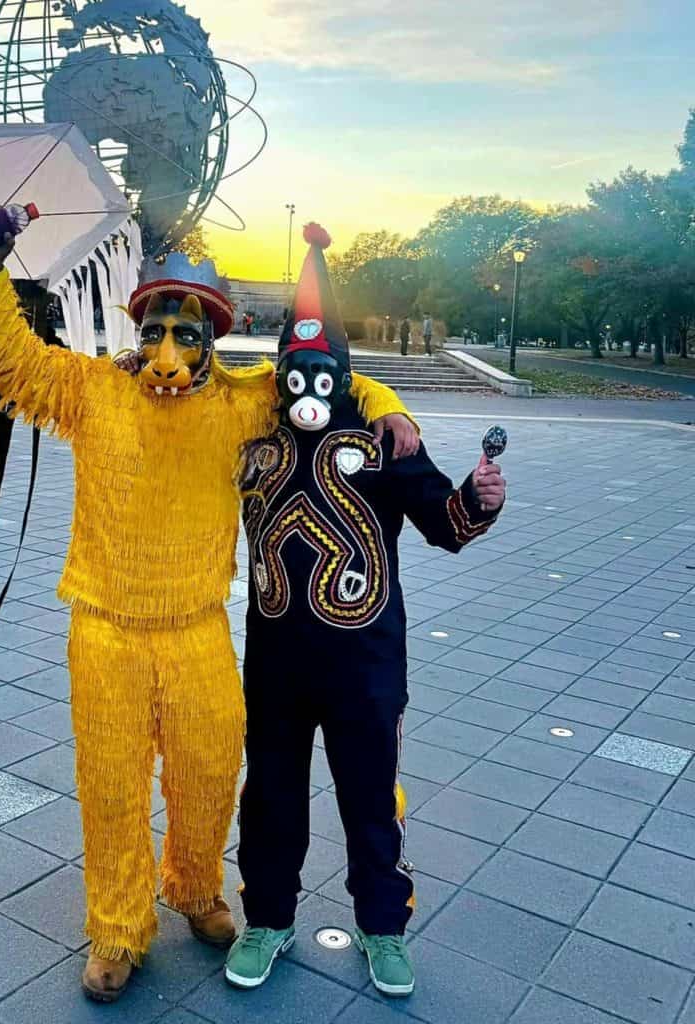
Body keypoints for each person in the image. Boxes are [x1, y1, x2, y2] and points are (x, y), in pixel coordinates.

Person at [0, 207, 419, 1003]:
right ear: (137, 327)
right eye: (155, 325)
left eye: (188, 330)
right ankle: (118, 927)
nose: (169, 347)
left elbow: (322, 374)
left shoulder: (242, 404)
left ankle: (195, 887)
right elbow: (8, 359)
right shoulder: (88, 390)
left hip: (199, 627)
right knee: (112, 784)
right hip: (104, 627)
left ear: (212, 337)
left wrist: (385, 401)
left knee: (209, 771)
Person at [225, 224, 505, 998]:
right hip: (275, 663)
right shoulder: (250, 443)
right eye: (295, 371)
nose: (308, 386)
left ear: (344, 374)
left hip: (367, 664)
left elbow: (445, 524)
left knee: (372, 800)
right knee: (270, 798)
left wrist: (478, 501)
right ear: (278, 373)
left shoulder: (387, 441)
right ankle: (268, 919)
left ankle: (384, 928)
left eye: (324, 372)